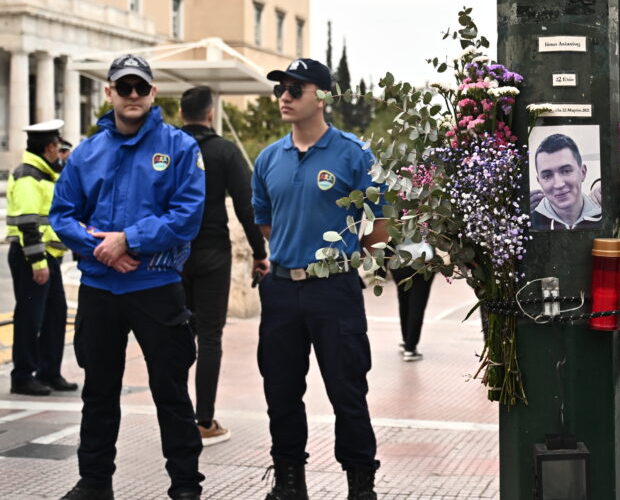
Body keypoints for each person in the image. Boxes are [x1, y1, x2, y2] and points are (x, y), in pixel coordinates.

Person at [50, 54, 206, 500]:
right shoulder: (85, 153)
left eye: (141, 87)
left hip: (157, 288)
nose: (133, 95)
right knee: (98, 392)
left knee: (171, 393)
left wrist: (130, 241)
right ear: (109, 92)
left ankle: (184, 485)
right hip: (101, 288)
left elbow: (187, 215)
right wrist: (105, 249)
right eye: (124, 87)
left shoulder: (179, 148)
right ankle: (94, 482)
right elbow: (62, 215)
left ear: (153, 92)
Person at [251, 58, 388, 500]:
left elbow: (377, 227)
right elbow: (267, 223)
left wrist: (341, 260)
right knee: (281, 391)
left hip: (334, 290)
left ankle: (360, 485)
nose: (285, 97)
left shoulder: (354, 153)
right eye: (281, 90)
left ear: (323, 96)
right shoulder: (269, 158)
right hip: (280, 290)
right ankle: (290, 482)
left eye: (296, 89)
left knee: (348, 391)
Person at [179, 86, 269, 446]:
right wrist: (259, 253)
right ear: (211, 113)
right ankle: (203, 420)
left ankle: (175, 416)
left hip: (173, 254)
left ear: (182, 113)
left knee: (176, 335)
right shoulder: (225, 151)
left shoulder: (169, 148)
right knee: (210, 337)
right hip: (214, 253)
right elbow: (247, 208)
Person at [5, 119, 76, 396]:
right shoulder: (28, 175)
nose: (59, 151)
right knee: (30, 318)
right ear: (49, 147)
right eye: (57, 146)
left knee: (55, 316)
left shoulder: (45, 174)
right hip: (32, 257)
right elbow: (27, 223)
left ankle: (49, 371)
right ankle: (22, 376)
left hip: (50, 257)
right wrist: (38, 263)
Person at [530, 133, 601, 230]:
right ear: (539, 181)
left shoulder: (605, 214)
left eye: (566, 171)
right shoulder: (528, 224)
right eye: (547, 176)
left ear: (583, 172)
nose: (558, 184)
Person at [391, 239, 435, 362]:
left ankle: (407, 341)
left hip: (399, 261)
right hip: (423, 260)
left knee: (403, 300)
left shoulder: (391, 218)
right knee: (418, 304)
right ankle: (410, 347)